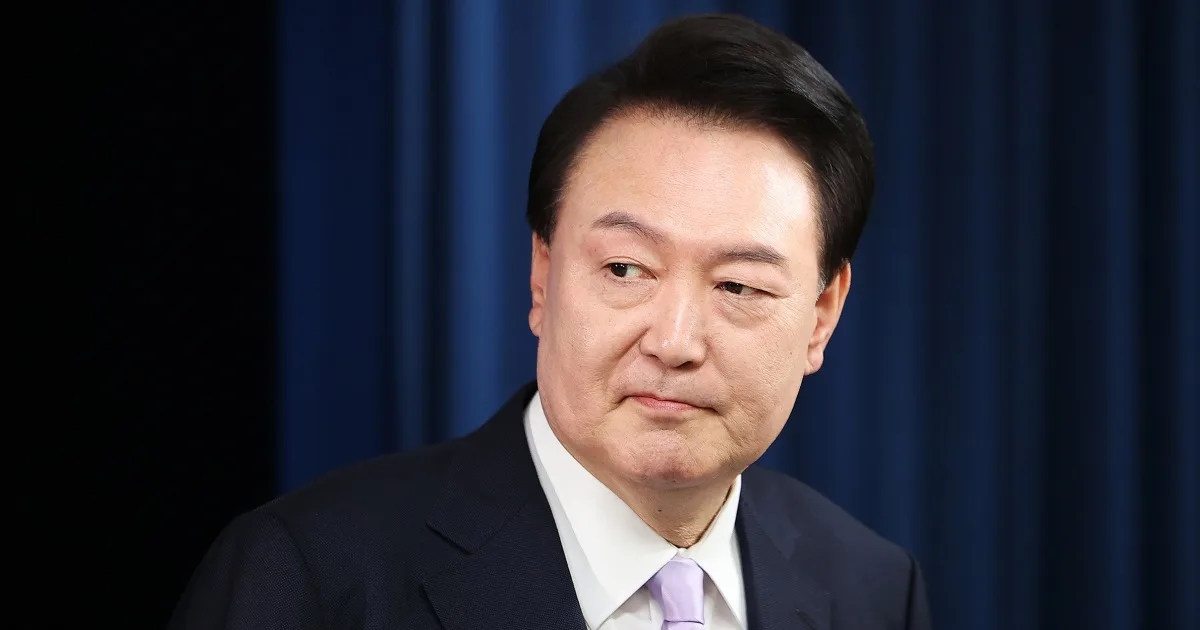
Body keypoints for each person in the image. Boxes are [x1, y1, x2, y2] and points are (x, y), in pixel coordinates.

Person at [170, 13, 931, 630]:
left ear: (822, 315)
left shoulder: (871, 589)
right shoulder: (309, 577)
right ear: (542, 275)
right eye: (625, 269)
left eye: (737, 285)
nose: (674, 343)